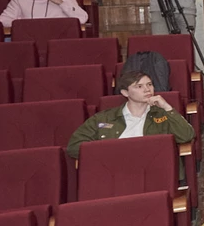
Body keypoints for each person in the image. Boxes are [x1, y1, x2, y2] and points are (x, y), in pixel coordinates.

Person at [66, 67, 194, 158]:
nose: (147, 89)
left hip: (154, 169)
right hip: (114, 171)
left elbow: (187, 136)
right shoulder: (104, 118)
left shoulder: (163, 114)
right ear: (125, 93)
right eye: (139, 86)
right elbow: (74, 147)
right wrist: (108, 152)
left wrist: (167, 107)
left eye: (149, 84)